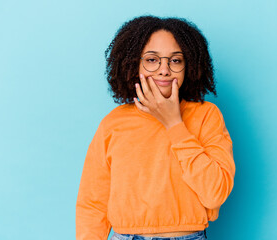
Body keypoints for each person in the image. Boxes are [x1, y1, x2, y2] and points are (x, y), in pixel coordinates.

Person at [76, 15, 236, 240]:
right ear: (133, 64)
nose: (164, 70)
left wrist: (174, 123)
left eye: (175, 60)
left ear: (188, 65)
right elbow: (92, 204)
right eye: (152, 60)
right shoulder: (113, 123)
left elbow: (214, 194)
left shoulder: (206, 115)